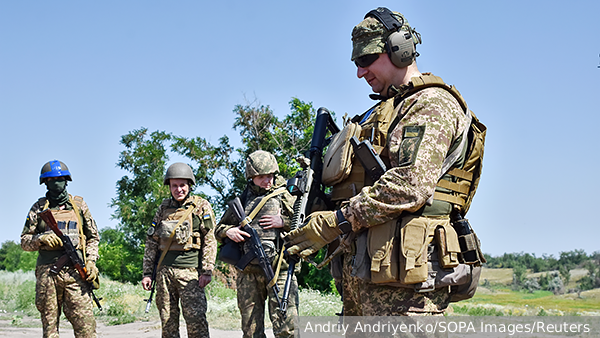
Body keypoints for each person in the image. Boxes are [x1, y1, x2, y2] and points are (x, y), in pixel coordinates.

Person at [286, 7, 484, 317]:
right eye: (356, 63)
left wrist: (335, 221)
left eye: (366, 59)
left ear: (399, 49)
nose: (360, 72)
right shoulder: (377, 113)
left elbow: (410, 184)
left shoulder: (431, 103)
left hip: (405, 286)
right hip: (364, 274)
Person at [215, 150, 298, 338]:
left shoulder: (284, 195)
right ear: (251, 177)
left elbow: (306, 223)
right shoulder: (243, 200)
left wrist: (283, 222)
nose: (267, 180)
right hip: (249, 274)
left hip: (280, 270)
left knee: (287, 328)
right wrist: (229, 231)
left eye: (270, 176)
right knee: (251, 331)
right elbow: (218, 228)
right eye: (261, 177)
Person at [21, 160, 99, 338]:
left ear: (67, 180)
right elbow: (24, 241)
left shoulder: (79, 206)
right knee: (50, 331)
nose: (57, 183)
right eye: (52, 179)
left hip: (76, 273)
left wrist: (92, 262)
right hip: (48, 274)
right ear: (45, 183)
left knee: (86, 329)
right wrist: (41, 239)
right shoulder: (39, 208)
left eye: (61, 179)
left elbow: (93, 237)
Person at [141, 162, 217, 338]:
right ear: (169, 187)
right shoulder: (163, 208)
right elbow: (152, 242)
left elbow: (210, 239)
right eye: (174, 185)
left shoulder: (201, 206)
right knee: (168, 324)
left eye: (182, 185)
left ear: (189, 185)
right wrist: (147, 273)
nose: (178, 189)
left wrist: (207, 270)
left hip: (190, 273)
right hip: (164, 273)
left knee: (196, 322)